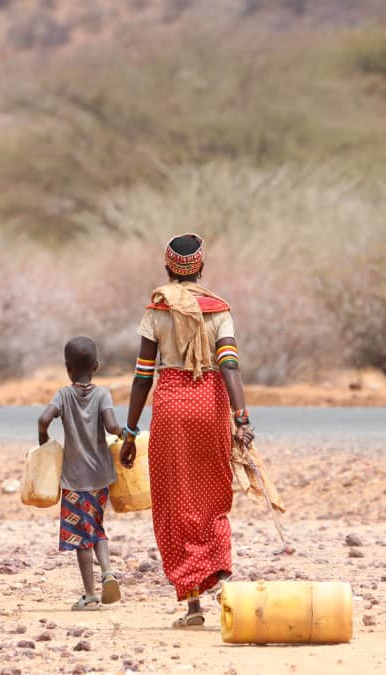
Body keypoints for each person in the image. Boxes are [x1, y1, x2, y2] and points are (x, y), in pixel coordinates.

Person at [119, 233, 256, 629]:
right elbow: (229, 366)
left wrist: (130, 432)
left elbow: (144, 376)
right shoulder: (219, 310)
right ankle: (221, 572)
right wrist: (242, 418)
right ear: (201, 268)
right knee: (214, 489)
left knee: (174, 499)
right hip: (211, 405)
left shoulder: (157, 310)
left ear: (167, 269)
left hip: (172, 407)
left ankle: (193, 606)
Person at [37, 336, 124, 611]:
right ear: (96, 366)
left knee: (80, 537)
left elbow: (43, 418)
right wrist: (127, 434)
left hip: (74, 479)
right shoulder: (103, 394)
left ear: (67, 368)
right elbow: (111, 427)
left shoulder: (63, 394)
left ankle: (89, 595)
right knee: (97, 526)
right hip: (101, 476)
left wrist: (43, 437)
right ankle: (108, 570)